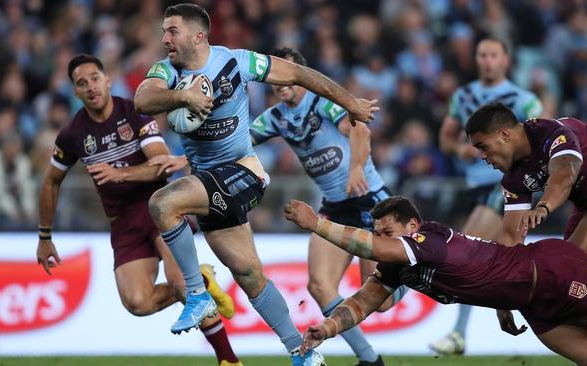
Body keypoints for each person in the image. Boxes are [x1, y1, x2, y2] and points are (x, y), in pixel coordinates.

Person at [133, 4, 376, 365]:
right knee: (249, 275)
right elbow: (142, 99)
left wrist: (351, 102)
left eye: (172, 31)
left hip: (244, 173)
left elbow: (298, 74)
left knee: (162, 203)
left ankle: (197, 293)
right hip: (209, 183)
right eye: (164, 31)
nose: (165, 38)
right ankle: (303, 352)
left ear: (198, 35)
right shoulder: (167, 71)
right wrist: (183, 96)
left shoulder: (236, 61)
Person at [36, 54, 242, 366]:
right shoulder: (72, 134)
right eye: (81, 83)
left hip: (159, 206)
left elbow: (161, 165)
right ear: (75, 93)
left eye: (94, 78)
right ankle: (200, 279)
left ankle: (228, 359)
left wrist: (122, 174)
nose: (90, 86)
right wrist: (44, 235)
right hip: (123, 223)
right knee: (137, 302)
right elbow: (51, 181)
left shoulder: (134, 111)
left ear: (107, 80)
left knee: (181, 284)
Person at [284, 196, 587, 366]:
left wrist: (317, 223)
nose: (382, 240)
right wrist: (328, 329)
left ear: (412, 227)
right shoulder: (398, 265)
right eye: (378, 232)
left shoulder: (430, 241)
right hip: (533, 304)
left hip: (552, 270)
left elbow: (367, 245)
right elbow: (363, 302)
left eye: (388, 232)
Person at [250, 47, 405, 366]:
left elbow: (359, 127)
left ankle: (411, 276)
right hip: (335, 206)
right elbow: (239, 141)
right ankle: (369, 360)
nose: (280, 81)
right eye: (275, 74)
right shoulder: (275, 118)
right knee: (319, 286)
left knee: (381, 301)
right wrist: (187, 157)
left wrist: (357, 167)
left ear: (302, 77)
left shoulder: (322, 103)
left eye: (287, 72)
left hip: (370, 201)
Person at [465, 101, 587, 341]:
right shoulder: (513, 179)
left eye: (483, 147)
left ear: (504, 135)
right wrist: (501, 296)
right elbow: (510, 237)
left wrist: (544, 206)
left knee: (565, 272)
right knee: (570, 296)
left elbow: (565, 172)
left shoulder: (551, 134)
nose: (482, 157)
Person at [434, 37, 543, 355]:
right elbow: (445, 140)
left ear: (506, 60)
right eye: (482, 55)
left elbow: (542, 140)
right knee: (489, 258)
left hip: (507, 185)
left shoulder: (525, 101)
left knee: (465, 249)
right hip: (472, 186)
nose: (487, 60)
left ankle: (458, 333)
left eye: (494, 55)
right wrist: (460, 149)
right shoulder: (463, 96)